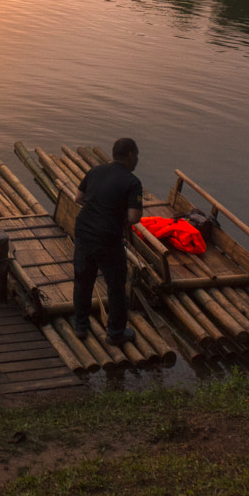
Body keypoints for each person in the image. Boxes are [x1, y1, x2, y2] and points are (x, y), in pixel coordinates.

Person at [72, 136, 143, 344]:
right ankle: (115, 333)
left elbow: (78, 197)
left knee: (83, 280)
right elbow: (134, 217)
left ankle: (81, 326)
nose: (137, 160)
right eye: (136, 155)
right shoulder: (132, 181)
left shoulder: (96, 171)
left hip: (84, 231)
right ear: (130, 155)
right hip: (108, 238)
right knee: (116, 286)